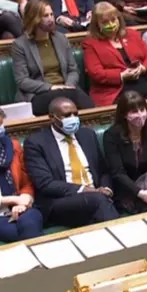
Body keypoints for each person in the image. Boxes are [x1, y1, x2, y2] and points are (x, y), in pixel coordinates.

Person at [23, 97, 119, 228]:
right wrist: (85, 190)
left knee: (102, 202)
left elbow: (103, 170)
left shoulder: (87, 135)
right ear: (52, 118)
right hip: (60, 200)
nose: (73, 118)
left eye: (76, 114)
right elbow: (45, 184)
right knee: (99, 201)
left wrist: (106, 188)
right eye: (67, 115)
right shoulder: (36, 143)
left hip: (95, 196)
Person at [12, 0, 94, 116]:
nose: (51, 19)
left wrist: (68, 85)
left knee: (74, 95)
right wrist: (51, 87)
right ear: (34, 19)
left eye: (51, 14)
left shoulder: (61, 38)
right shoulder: (20, 45)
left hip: (66, 89)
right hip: (38, 95)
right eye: (45, 16)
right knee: (75, 95)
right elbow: (22, 81)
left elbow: (73, 70)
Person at [82, 2, 147, 106]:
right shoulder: (90, 44)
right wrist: (121, 75)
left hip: (142, 81)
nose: (111, 24)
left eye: (113, 20)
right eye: (105, 22)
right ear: (97, 25)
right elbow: (96, 73)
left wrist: (143, 68)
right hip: (114, 91)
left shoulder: (132, 34)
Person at [0, 106, 43, 242]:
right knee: (18, 232)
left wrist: (24, 200)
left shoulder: (12, 146)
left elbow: (26, 182)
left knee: (30, 221)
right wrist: (12, 200)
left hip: (20, 208)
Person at [27, 0, 92, 32]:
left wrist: (90, 11)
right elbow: (36, 3)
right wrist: (56, 18)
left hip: (83, 15)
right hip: (56, 18)